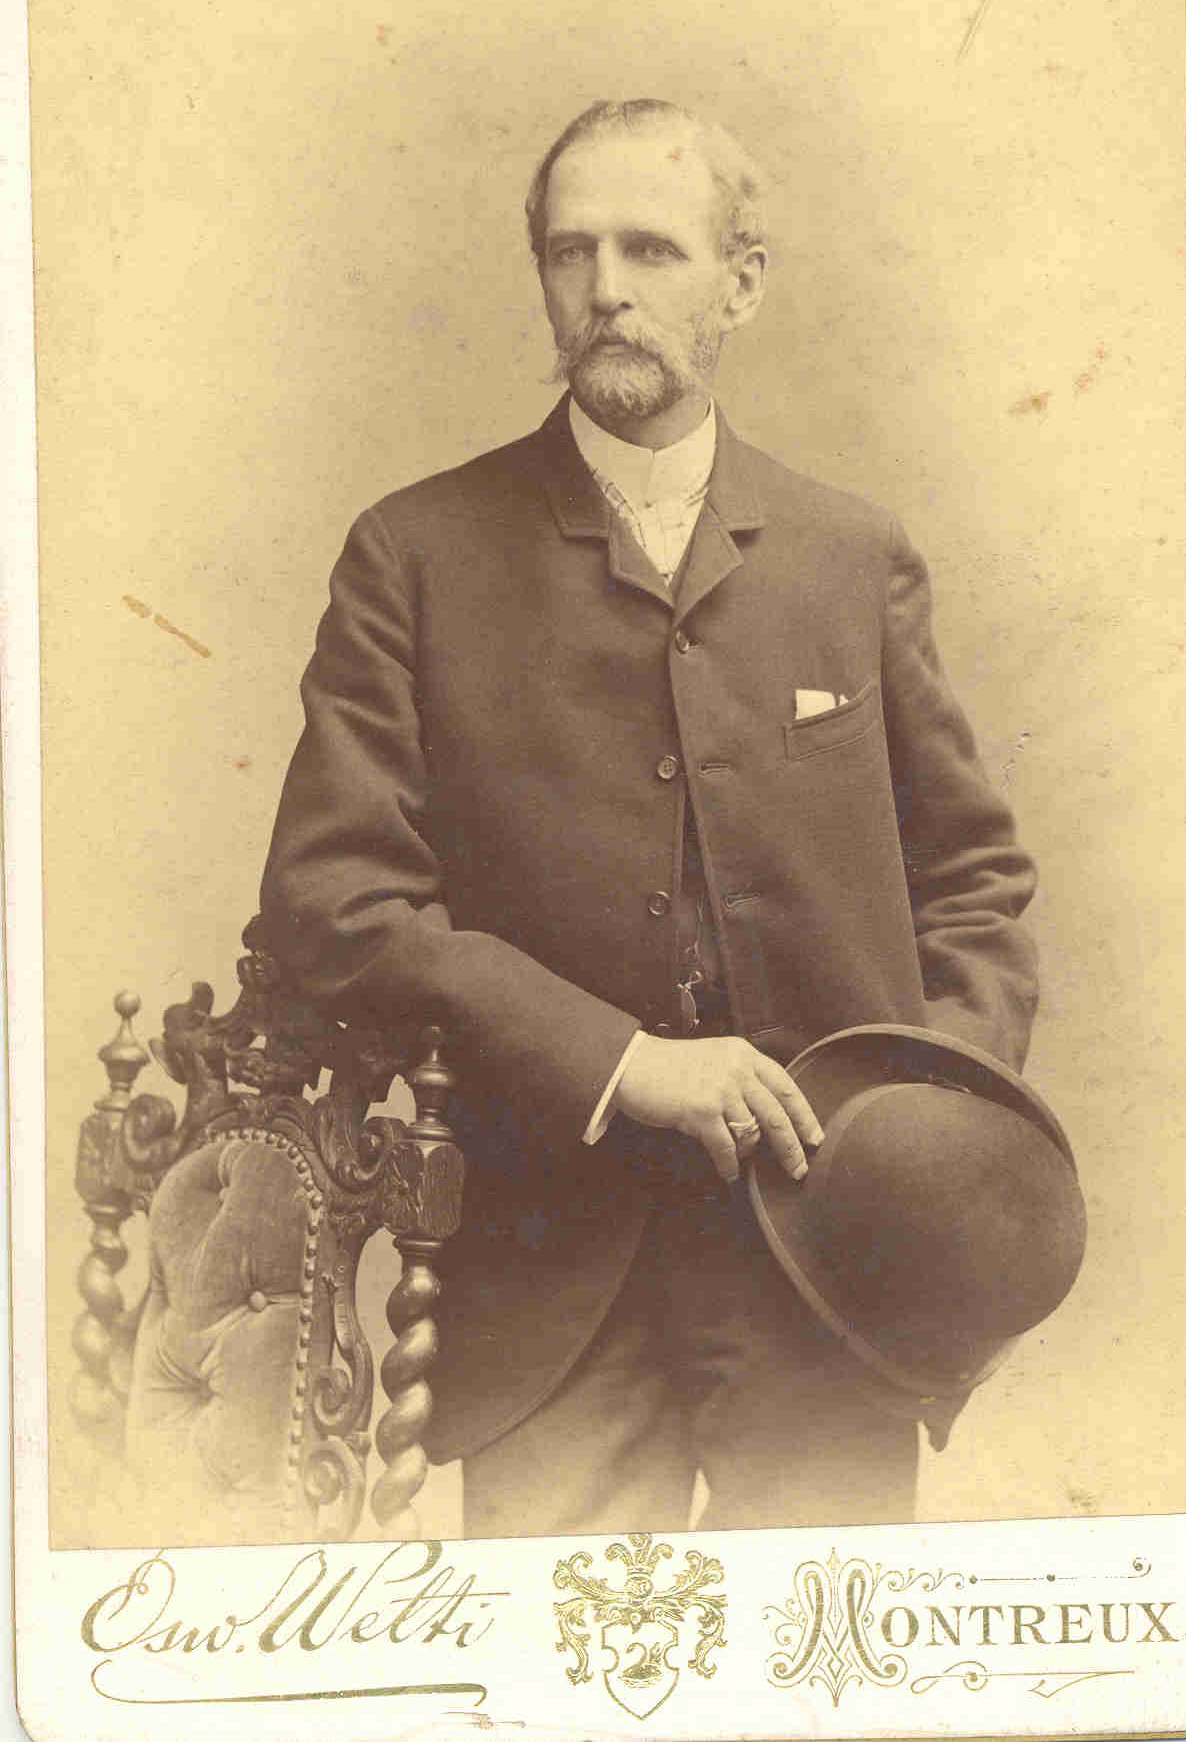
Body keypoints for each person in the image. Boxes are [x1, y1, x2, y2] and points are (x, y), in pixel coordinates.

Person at [259, 98, 1039, 1536]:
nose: (606, 289)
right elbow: (333, 904)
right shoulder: (415, 554)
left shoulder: (850, 556)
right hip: (549, 1282)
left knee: (821, 1645)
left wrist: (919, 1129)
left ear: (741, 281)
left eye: (652, 250)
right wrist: (620, 1066)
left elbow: (975, 885)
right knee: (568, 1651)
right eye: (572, 253)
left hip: (831, 1283)